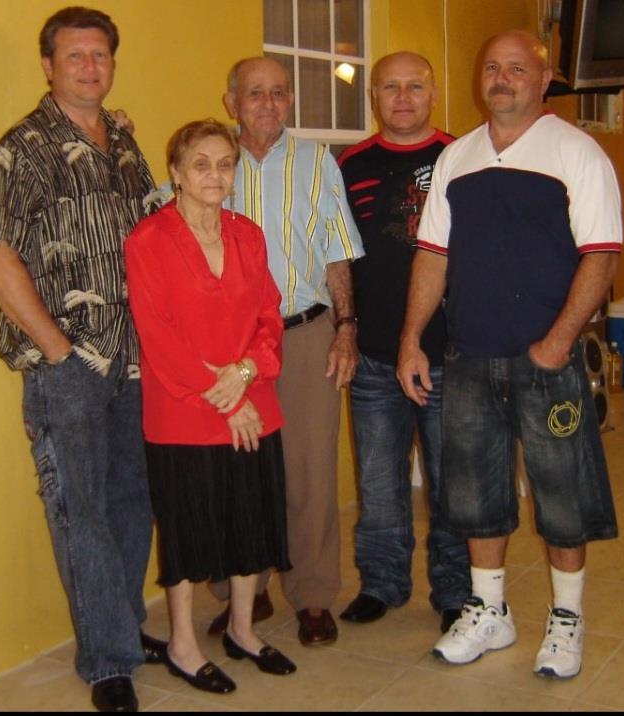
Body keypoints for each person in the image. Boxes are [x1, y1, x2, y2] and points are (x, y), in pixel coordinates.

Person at [397, 30, 621, 679]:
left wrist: (557, 342)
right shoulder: (457, 157)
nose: (501, 78)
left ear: (543, 79)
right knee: (474, 493)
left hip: (548, 363)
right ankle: (489, 610)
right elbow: (432, 255)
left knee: (563, 497)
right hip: (468, 357)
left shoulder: (576, 152)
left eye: (517, 68)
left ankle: (567, 618)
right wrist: (412, 338)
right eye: (492, 67)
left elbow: (601, 254)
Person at [0, 7, 167, 712]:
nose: (90, 66)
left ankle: (123, 626)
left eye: (100, 55)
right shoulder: (21, 148)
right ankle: (107, 659)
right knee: (78, 509)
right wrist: (60, 350)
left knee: (132, 500)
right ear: (49, 66)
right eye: (75, 55)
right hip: (70, 369)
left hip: (137, 359)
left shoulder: (123, 141)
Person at [124, 119, 296, 695]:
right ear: (176, 172)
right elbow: (159, 335)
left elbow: (269, 316)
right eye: (201, 164)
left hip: (254, 401)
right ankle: (182, 643)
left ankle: (243, 630)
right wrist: (227, 398)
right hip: (184, 412)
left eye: (224, 164)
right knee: (188, 532)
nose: (214, 175)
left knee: (250, 522)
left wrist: (245, 374)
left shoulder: (248, 235)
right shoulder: (148, 240)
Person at [206, 56, 365, 646]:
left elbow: (337, 250)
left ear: (290, 100)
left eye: (278, 92)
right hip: (229, 345)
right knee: (234, 472)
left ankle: (313, 594)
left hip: (303, 333)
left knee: (310, 472)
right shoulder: (210, 162)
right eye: (255, 93)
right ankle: (243, 592)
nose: (268, 104)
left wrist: (345, 328)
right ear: (232, 102)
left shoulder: (317, 162)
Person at [337, 52, 470, 632]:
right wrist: (345, 327)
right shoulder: (352, 164)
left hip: (451, 355)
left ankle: (455, 591)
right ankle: (382, 583)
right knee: (378, 483)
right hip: (374, 357)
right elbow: (340, 253)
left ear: (433, 93)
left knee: (451, 484)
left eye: (415, 86)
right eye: (390, 87)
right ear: (374, 96)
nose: (403, 97)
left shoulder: (463, 156)